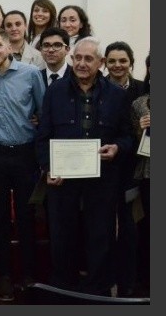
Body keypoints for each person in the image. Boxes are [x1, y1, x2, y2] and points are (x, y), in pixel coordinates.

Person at [36, 37, 133, 296]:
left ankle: (97, 290)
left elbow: (127, 136)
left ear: (101, 63)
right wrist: (48, 167)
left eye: (88, 59)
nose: (81, 63)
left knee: (100, 236)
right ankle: (63, 289)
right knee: (62, 235)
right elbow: (43, 135)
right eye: (77, 57)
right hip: (62, 179)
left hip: (102, 178)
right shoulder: (55, 92)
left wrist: (117, 148)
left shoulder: (117, 95)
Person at [0, 27, 45, 301]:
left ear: (9, 46)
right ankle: (4, 276)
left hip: (25, 153)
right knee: (1, 218)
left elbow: (43, 113)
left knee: (27, 217)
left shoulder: (31, 74)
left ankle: (29, 275)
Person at [103, 41, 145, 297]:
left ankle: (129, 281)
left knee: (131, 227)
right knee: (102, 228)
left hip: (134, 170)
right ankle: (105, 279)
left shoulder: (143, 89)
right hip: (104, 170)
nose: (118, 66)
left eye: (123, 61)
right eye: (112, 61)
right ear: (105, 63)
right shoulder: (99, 88)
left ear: (131, 63)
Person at [130, 54, 150, 295]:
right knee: (147, 230)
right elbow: (134, 144)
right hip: (147, 175)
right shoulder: (139, 103)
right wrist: (139, 129)